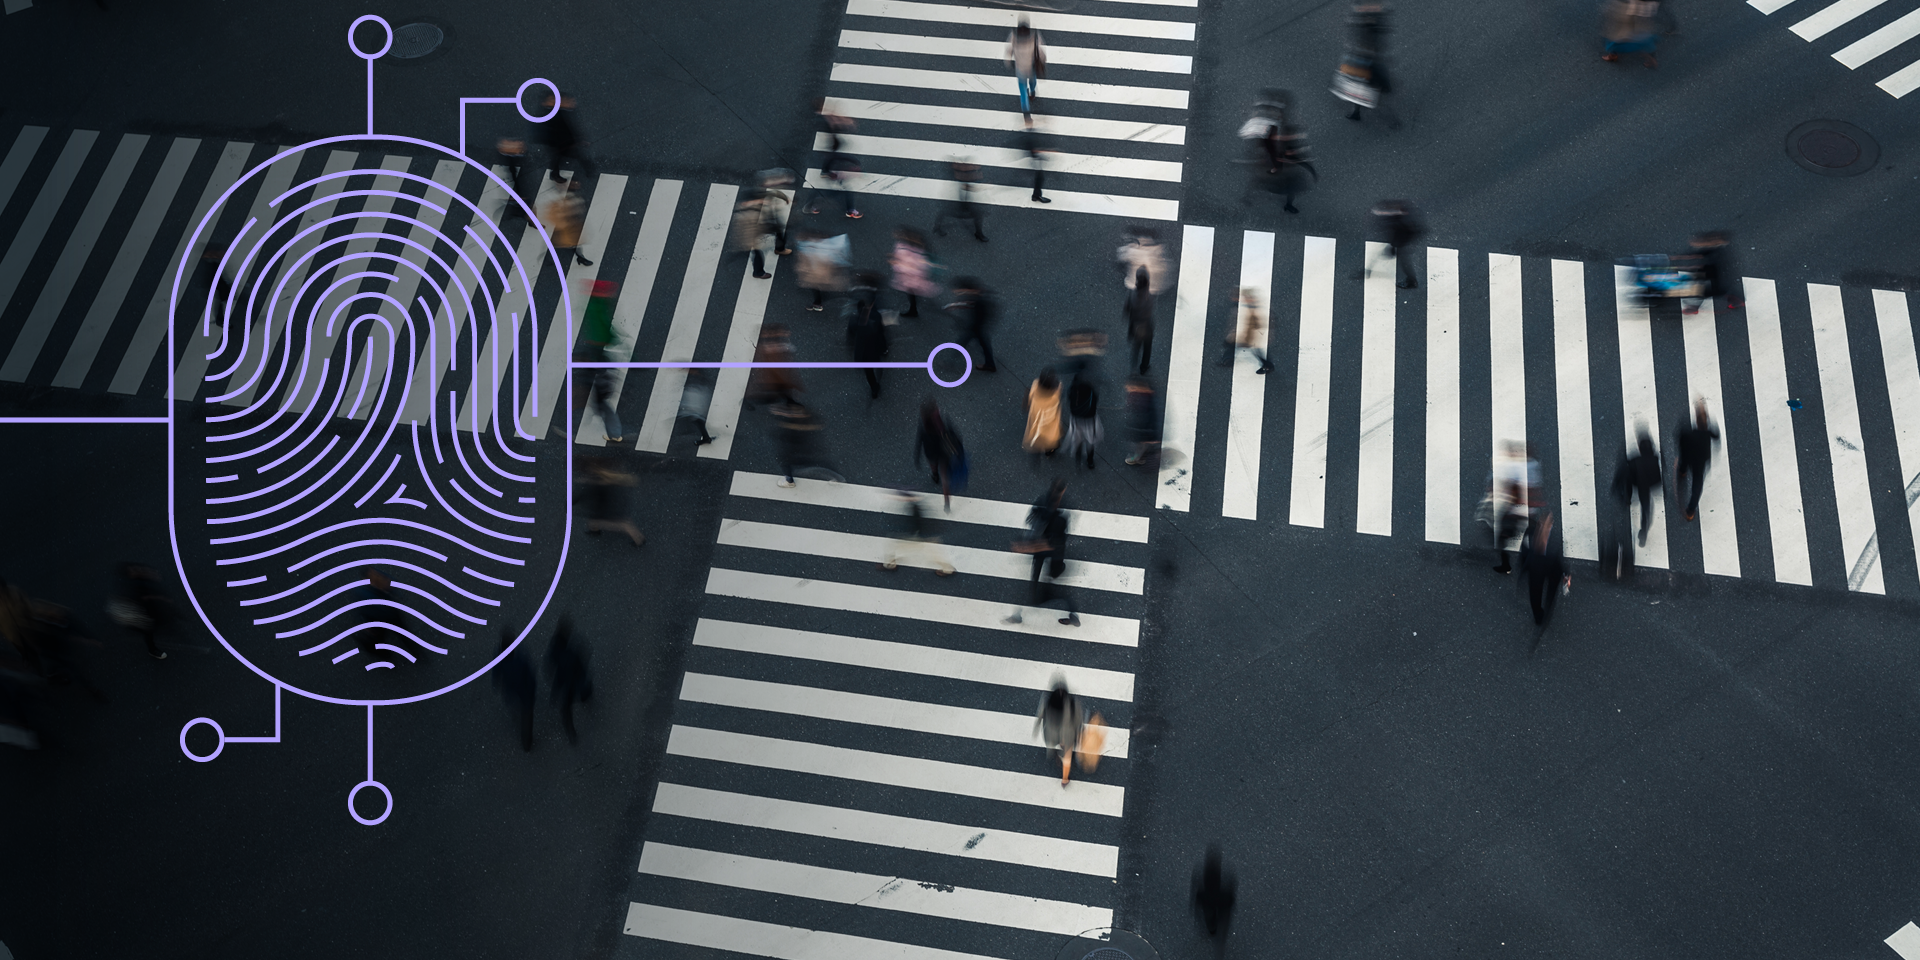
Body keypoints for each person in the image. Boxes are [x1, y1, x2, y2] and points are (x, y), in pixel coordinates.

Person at [1007, 481, 1079, 627]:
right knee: (1040, 585)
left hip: (1048, 552)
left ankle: (1020, 612)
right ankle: (1019, 613)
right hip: (1049, 552)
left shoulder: (1048, 505)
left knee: (1048, 587)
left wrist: (1027, 545)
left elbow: (1032, 521)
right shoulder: (1056, 510)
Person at [1486, 440, 1540, 574]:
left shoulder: (1515, 469)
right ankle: (1527, 563)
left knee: (1502, 539)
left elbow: (1511, 488)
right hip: (1530, 511)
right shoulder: (1533, 465)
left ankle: (1507, 566)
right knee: (1530, 538)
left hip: (1515, 511)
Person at [880, 490, 957, 576]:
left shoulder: (914, 508)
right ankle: (948, 569)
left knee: (896, 546)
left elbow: (915, 524)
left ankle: (890, 564)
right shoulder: (917, 505)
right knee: (934, 554)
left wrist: (908, 534)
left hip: (921, 536)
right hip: (925, 535)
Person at [808, 100, 863, 219]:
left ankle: (814, 205)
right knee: (841, 192)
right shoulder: (825, 125)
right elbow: (836, 156)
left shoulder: (823, 120)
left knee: (836, 190)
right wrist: (853, 162)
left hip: (831, 164)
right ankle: (815, 204)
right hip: (831, 166)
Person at [772, 401, 846, 486]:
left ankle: (789, 481)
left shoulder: (794, 423)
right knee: (813, 462)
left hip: (796, 444)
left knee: (786, 461)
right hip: (803, 444)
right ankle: (837, 477)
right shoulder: (806, 418)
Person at [1612, 427, 1663, 548]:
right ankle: (1643, 532)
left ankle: (1627, 500)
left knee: (1628, 481)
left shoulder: (1634, 460)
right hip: (1647, 485)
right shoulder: (1655, 458)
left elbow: (1622, 473)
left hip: (1635, 481)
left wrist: (1615, 485)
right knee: (1646, 509)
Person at [547, 617, 593, 745]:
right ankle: (587, 697)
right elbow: (582, 661)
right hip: (573, 680)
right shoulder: (572, 647)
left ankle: (571, 733)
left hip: (566, 682)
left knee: (566, 709)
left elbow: (551, 663)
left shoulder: (556, 646)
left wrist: (555, 690)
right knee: (582, 691)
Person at [113, 562, 174, 660]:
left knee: (154, 623)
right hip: (141, 611)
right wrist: (161, 598)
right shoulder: (134, 586)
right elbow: (143, 598)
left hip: (148, 607)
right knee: (148, 629)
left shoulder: (139, 579)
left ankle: (162, 629)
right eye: (134, 570)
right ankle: (152, 650)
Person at [1521, 509, 1569, 629]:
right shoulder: (1533, 533)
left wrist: (1565, 573)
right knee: (1537, 593)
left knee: (1543, 592)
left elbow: (1558, 559)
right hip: (1538, 569)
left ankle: (1543, 611)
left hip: (1546, 569)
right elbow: (1524, 550)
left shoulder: (1550, 538)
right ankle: (1540, 614)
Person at [581, 457, 645, 545]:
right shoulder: (605, 477)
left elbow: (592, 494)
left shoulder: (597, 481)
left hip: (606, 506)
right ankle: (594, 530)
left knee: (618, 523)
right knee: (594, 520)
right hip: (608, 503)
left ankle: (639, 539)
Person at [915, 399, 965, 507]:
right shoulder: (942, 426)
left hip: (931, 452)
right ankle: (946, 501)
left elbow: (919, 441)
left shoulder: (924, 428)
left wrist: (917, 457)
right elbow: (954, 437)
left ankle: (934, 476)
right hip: (943, 454)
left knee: (933, 465)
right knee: (945, 477)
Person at [1674, 398, 1718, 522]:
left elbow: (1681, 443)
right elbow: (1716, 435)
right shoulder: (1708, 433)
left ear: (1697, 421)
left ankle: (1682, 472)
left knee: (1683, 463)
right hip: (1701, 460)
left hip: (1690, 457)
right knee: (1697, 484)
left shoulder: (1689, 433)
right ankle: (1691, 510)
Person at [538, 92, 597, 182]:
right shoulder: (553, 113)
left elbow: (566, 128)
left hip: (559, 142)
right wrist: (577, 140)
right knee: (574, 156)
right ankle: (589, 170)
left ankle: (555, 174)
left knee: (558, 158)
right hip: (561, 142)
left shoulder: (556, 112)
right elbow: (565, 129)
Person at [1033, 679, 1083, 786]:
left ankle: (1055, 751)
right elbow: (1078, 719)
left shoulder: (1047, 700)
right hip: (1067, 734)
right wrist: (1079, 734)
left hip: (1051, 733)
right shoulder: (1073, 702)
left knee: (1054, 743)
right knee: (1067, 756)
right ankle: (1064, 779)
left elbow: (1040, 714)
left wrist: (1036, 729)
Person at [493, 632, 536, 752]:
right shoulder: (520, 656)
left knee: (520, 709)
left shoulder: (498, 655)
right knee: (527, 715)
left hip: (511, 689)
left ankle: (526, 741)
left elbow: (496, 672)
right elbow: (529, 674)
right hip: (525, 690)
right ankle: (527, 742)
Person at [1365, 200, 1422, 289]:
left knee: (1404, 262)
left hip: (1401, 242)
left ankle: (1412, 281)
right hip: (1399, 241)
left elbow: (1408, 232)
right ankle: (1368, 270)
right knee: (1402, 259)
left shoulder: (1402, 221)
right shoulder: (1401, 215)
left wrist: (1395, 244)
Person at [1682, 230, 1742, 313]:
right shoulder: (1713, 249)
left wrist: (1695, 266)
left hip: (1716, 279)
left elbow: (1709, 266)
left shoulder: (1715, 254)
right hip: (1715, 277)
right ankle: (1736, 300)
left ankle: (1694, 308)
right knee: (1713, 292)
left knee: (1703, 292)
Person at [946, 277, 997, 373]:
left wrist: (968, 326)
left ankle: (949, 362)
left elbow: (975, 308)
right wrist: (956, 306)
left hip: (977, 327)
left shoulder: (979, 300)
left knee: (965, 341)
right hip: (979, 326)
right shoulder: (978, 294)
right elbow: (970, 304)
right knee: (983, 344)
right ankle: (990, 364)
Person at [794, 227, 850, 312]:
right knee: (821, 289)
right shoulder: (826, 245)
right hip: (824, 273)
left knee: (816, 289)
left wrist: (801, 271)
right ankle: (819, 302)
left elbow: (806, 264)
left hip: (816, 275)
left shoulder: (807, 248)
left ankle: (818, 304)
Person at [539, 178, 593, 266]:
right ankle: (548, 258)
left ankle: (581, 258)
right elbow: (552, 213)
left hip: (573, 226)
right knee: (557, 244)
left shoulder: (574, 195)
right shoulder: (560, 199)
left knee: (576, 243)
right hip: (564, 228)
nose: (577, 185)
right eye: (574, 183)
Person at [1220, 286, 1274, 374]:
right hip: (1249, 335)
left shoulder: (1256, 309)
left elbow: (1255, 325)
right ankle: (1227, 360)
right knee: (1234, 346)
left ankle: (1268, 365)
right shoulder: (1250, 307)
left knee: (1256, 351)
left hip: (1253, 336)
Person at [1192, 846, 1237, 949]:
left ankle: (1212, 929)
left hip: (1208, 899)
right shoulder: (1216, 880)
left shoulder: (1207, 882)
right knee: (1212, 914)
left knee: (1209, 915)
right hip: (1214, 898)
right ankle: (1213, 928)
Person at [888, 227, 939, 319]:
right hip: (914, 277)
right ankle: (914, 308)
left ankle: (914, 309)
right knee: (913, 293)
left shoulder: (909, 249)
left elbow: (913, 265)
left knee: (912, 293)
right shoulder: (918, 248)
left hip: (912, 278)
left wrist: (897, 265)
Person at [932, 161, 988, 242]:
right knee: (977, 214)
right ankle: (979, 233)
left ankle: (937, 227)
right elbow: (965, 187)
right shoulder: (958, 175)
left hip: (961, 199)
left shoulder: (957, 174)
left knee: (946, 211)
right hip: (958, 200)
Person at [846, 298, 889, 399]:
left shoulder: (853, 321)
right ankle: (879, 376)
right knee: (877, 364)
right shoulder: (876, 317)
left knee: (869, 372)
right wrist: (884, 348)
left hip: (863, 352)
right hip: (875, 348)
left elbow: (851, 336)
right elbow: (881, 333)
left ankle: (874, 388)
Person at [1006, 18, 1046, 117]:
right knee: (1033, 81)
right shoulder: (1034, 38)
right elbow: (1040, 53)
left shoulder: (1014, 37)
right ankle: (1032, 93)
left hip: (1020, 68)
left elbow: (1009, 51)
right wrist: (1043, 61)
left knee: (1023, 91)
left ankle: (1026, 114)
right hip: (1031, 67)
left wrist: (1008, 62)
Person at [1601, 0, 1661, 67]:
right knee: (1641, 31)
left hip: (1629, 5)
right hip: (1644, 7)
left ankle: (1613, 54)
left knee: (1618, 31)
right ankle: (1651, 57)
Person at [1063, 375, 1102, 469]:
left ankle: (1078, 457)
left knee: (1077, 439)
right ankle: (1090, 461)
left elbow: (1070, 402)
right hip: (1089, 421)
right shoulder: (1091, 394)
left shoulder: (1073, 393)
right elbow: (1095, 403)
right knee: (1090, 440)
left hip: (1077, 421)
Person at [1023, 368, 1064, 455]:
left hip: (1036, 414)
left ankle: (1037, 448)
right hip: (1049, 418)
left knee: (1037, 432)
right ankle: (1049, 450)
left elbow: (1030, 396)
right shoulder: (1055, 393)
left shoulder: (1035, 384)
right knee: (1051, 435)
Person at [1116, 229, 1168, 298]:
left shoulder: (1132, 251)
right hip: (1150, 288)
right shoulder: (1158, 250)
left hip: (1142, 288)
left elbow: (1121, 262)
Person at [495, 137, 536, 222]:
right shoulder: (514, 164)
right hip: (521, 188)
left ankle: (529, 218)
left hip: (519, 182)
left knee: (526, 199)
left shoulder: (512, 165)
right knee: (528, 202)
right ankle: (530, 219)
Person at [1124, 376, 1161, 466]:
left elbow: (1148, 419)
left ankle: (1137, 458)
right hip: (1146, 431)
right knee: (1142, 446)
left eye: (1129, 387)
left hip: (1144, 432)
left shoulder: (1140, 401)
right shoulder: (1148, 396)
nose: (1126, 388)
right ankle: (1140, 457)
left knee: (1140, 447)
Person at [1124, 267, 1155, 375]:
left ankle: (1133, 365)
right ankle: (1144, 367)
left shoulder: (1132, 294)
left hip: (1136, 325)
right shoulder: (1149, 297)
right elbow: (1150, 311)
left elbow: (1127, 309)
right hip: (1146, 326)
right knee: (1147, 348)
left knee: (1136, 346)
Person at [678, 371, 716, 445]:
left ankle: (706, 438)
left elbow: (696, 394)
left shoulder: (697, 380)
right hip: (695, 406)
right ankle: (706, 438)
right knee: (698, 421)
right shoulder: (698, 379)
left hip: (695, 406)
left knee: (697, 420)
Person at [1020, 117, 1052, 203]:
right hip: (1035, 159)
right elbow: (1034, 149)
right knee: (1039, 178)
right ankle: (1036, 196)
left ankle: (1036, 195)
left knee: (1039, 178)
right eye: (1030, 121)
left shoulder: (1028, 133)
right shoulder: (1029, 136)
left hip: (1034, 158)